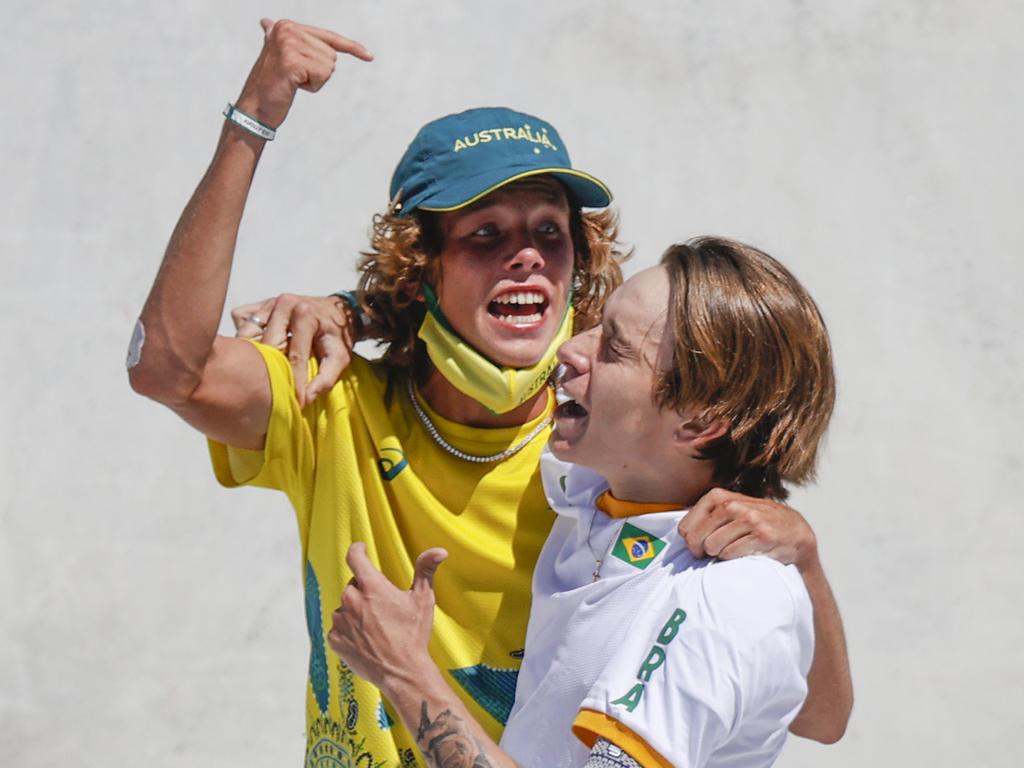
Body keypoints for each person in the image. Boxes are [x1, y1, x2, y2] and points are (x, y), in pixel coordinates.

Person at [128, 18, 851, 766]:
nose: (528, 258)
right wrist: (255, 118)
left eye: (551, 231)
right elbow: (164, 367)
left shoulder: (605, 450)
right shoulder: (332, 398)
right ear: (422, 265)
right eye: (485, 235)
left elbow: (816, 712)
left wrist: (801, 562)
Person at [328, 237, 837, 767]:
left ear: (700, 423)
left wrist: (403, 670)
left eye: (612, 347)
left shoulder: (721, 597)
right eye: (597, 322)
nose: (571, 347)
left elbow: (820, 720)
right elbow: (819, 713)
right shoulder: (590, 486)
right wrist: (352, 312)